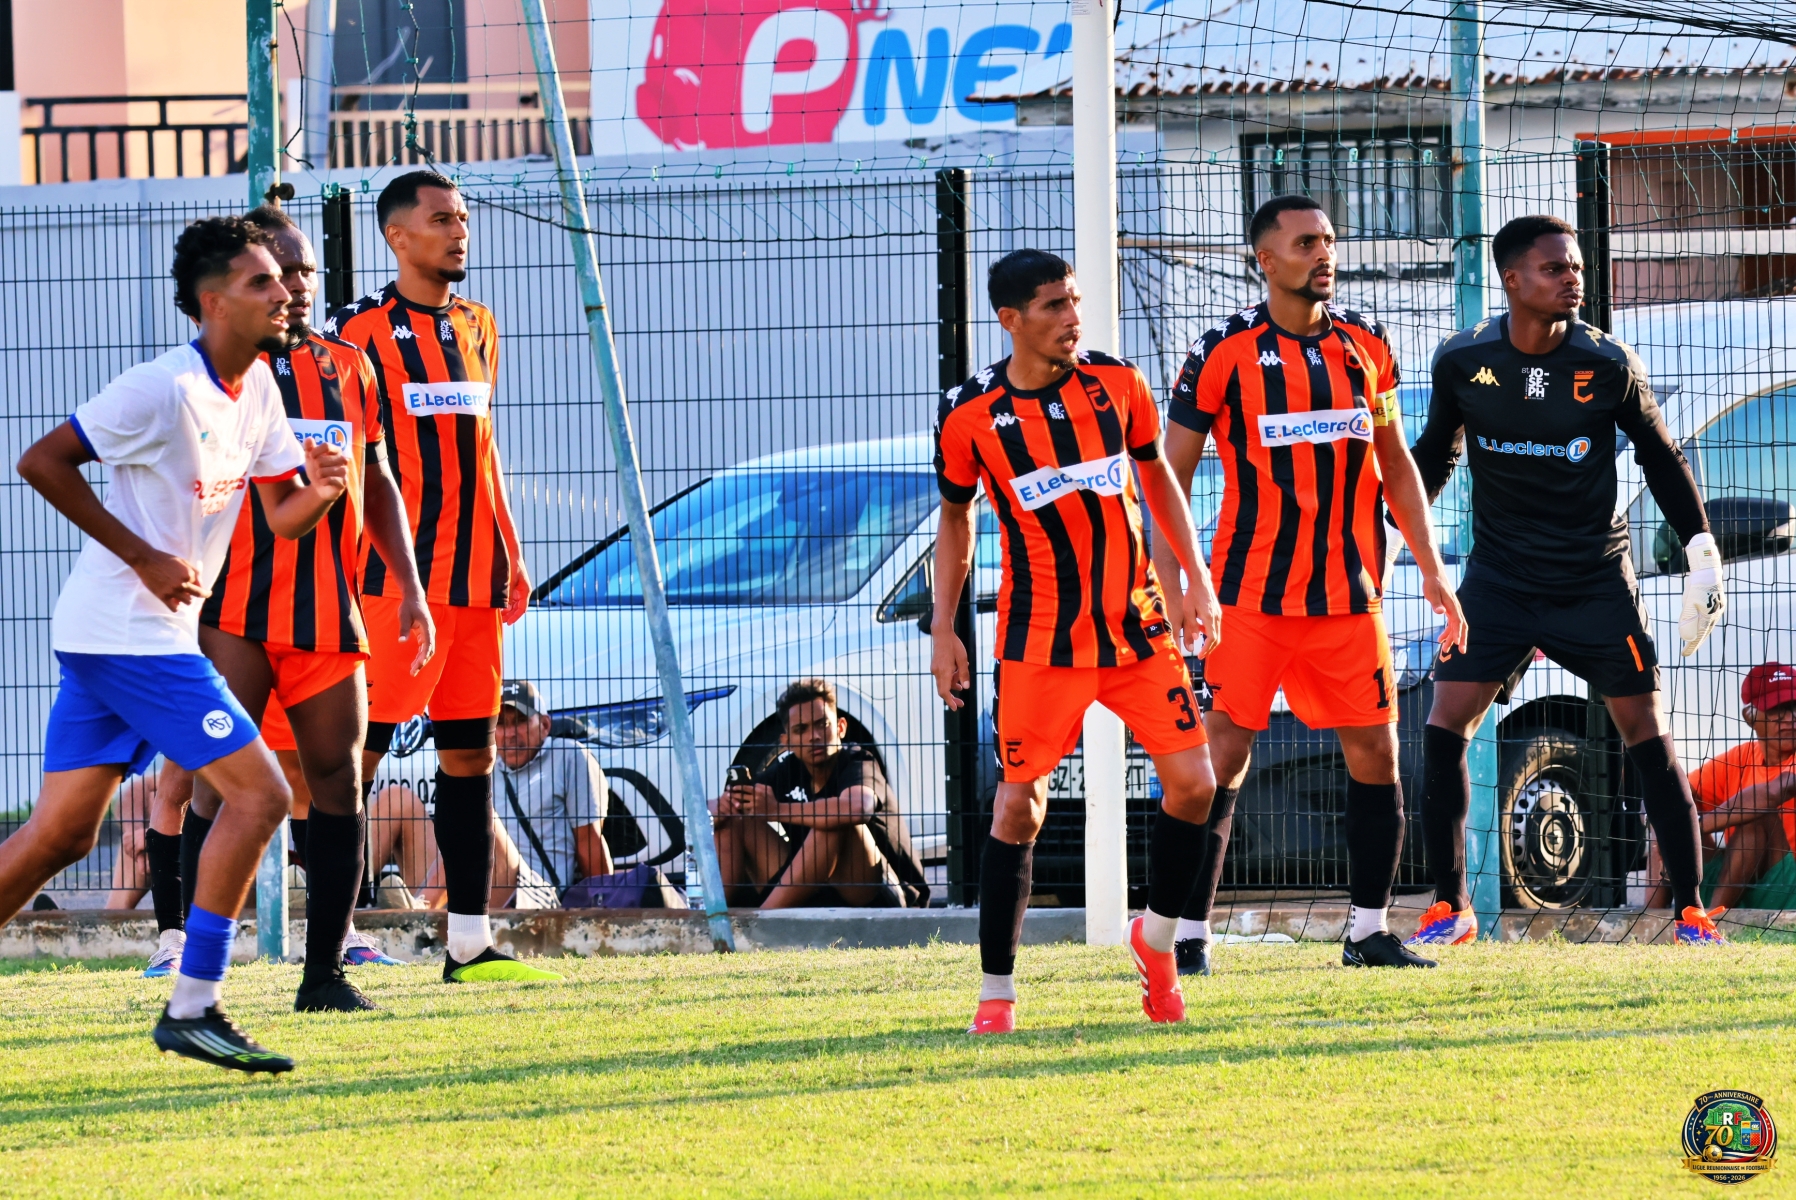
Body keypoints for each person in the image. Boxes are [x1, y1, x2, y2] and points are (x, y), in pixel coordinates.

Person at [6, 215, 348, 1073]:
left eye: (285, 279)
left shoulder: (258, 387)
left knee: (60, 837)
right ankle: (194, 1005)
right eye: (262, 282)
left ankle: (194, 1003)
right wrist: (146, 557)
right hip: (131, 637)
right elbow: (41, 461)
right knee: (262, 796)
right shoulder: (160, 388)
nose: (285, 293)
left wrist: (322, 491)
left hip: (120, 636)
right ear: (212, 302)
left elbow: (282, 516)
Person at [1156, 194, 1467, 976]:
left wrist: (1431, 567)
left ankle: (1368, 933)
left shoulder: (1366, 343)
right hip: (1248, 600)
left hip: (1348, 599)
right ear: (1264, 259)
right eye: (1305, 243)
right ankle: (1188, 936)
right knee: (1221, 761)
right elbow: (1167, 479)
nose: (1323, 253)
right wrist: (1178, 585)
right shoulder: (1222, 351)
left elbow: (1395, 461)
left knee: (1377, 755)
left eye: (1328, 240)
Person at [1406, 213, 1726, 947]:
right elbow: (1435, 455)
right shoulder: (1463, 361)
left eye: (1576, 266)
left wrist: (1702, 550)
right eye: (1554, 268)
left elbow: (1662, 458)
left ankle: (1691, 913)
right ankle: (1450, 908)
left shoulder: (1608, 363)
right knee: (1444, 725)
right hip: (1499, 580)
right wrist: (1391, 528)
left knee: (1646, 732)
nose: (1572, 279)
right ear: (1512, 279)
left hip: (1594, 581)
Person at [931, 248, 1224, 1035]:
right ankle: (997, 993)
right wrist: (943, 628)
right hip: (1040, 643)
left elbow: (1158, 478)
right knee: (1018, 807)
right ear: (1010, 319)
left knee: (1194, 786)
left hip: (1137, 628)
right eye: (1055, 305)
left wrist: (1194, 579)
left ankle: (1154, 940)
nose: (1073, 318)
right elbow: (955, 520)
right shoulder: (970, 413)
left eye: (1075, 301)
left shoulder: (1117, 383)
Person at [155, 203, 437, 1011]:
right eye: (280, 271)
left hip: (326, 614)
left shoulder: (350, 367)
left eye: (306, 269)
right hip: (234, 613)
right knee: (219, 786)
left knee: (339, 785)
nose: (298, 284)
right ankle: (197, 976)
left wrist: (410, 586)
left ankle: (325, 977)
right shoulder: (206, 372)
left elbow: (376, 478)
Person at [327, 171, 555, 983]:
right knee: (355, 761)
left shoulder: (479, 324)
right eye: (441, 219)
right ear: (397, 236)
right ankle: (336, 938)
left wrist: (512, 549)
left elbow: (484, 450)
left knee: (469, 757)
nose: (460, 230)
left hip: (476, 582)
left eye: (463, 217)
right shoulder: (357, 330)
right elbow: (347, 456)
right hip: (395, 587)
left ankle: (468, 943)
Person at [713, 679, 927, 909]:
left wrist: (777, 810)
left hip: (885, 895)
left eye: (822, 724)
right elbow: (721, 807)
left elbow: (858, 808)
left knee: (834, 819)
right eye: (801, 729)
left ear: (840, 727)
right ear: (787, 742)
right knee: (735, 818)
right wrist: (723, 806)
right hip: (818, 888)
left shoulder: (858, 761)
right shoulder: (789, 770)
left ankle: (763, 920)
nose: (813, 736)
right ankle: (714, 918)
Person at [1642, 663, 1796, 914]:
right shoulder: (1740, 757)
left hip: (1787, 888)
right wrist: (1666, 824)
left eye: (1795, 708)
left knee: (1755, 819)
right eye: (1777, 709)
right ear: (1750, 716)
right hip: (1735, 879)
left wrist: (1693, 826)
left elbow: (1779, 790)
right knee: (1668, 816)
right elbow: (1676, 792)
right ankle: (1648, 923)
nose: (1790, 719)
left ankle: (1713, 922)